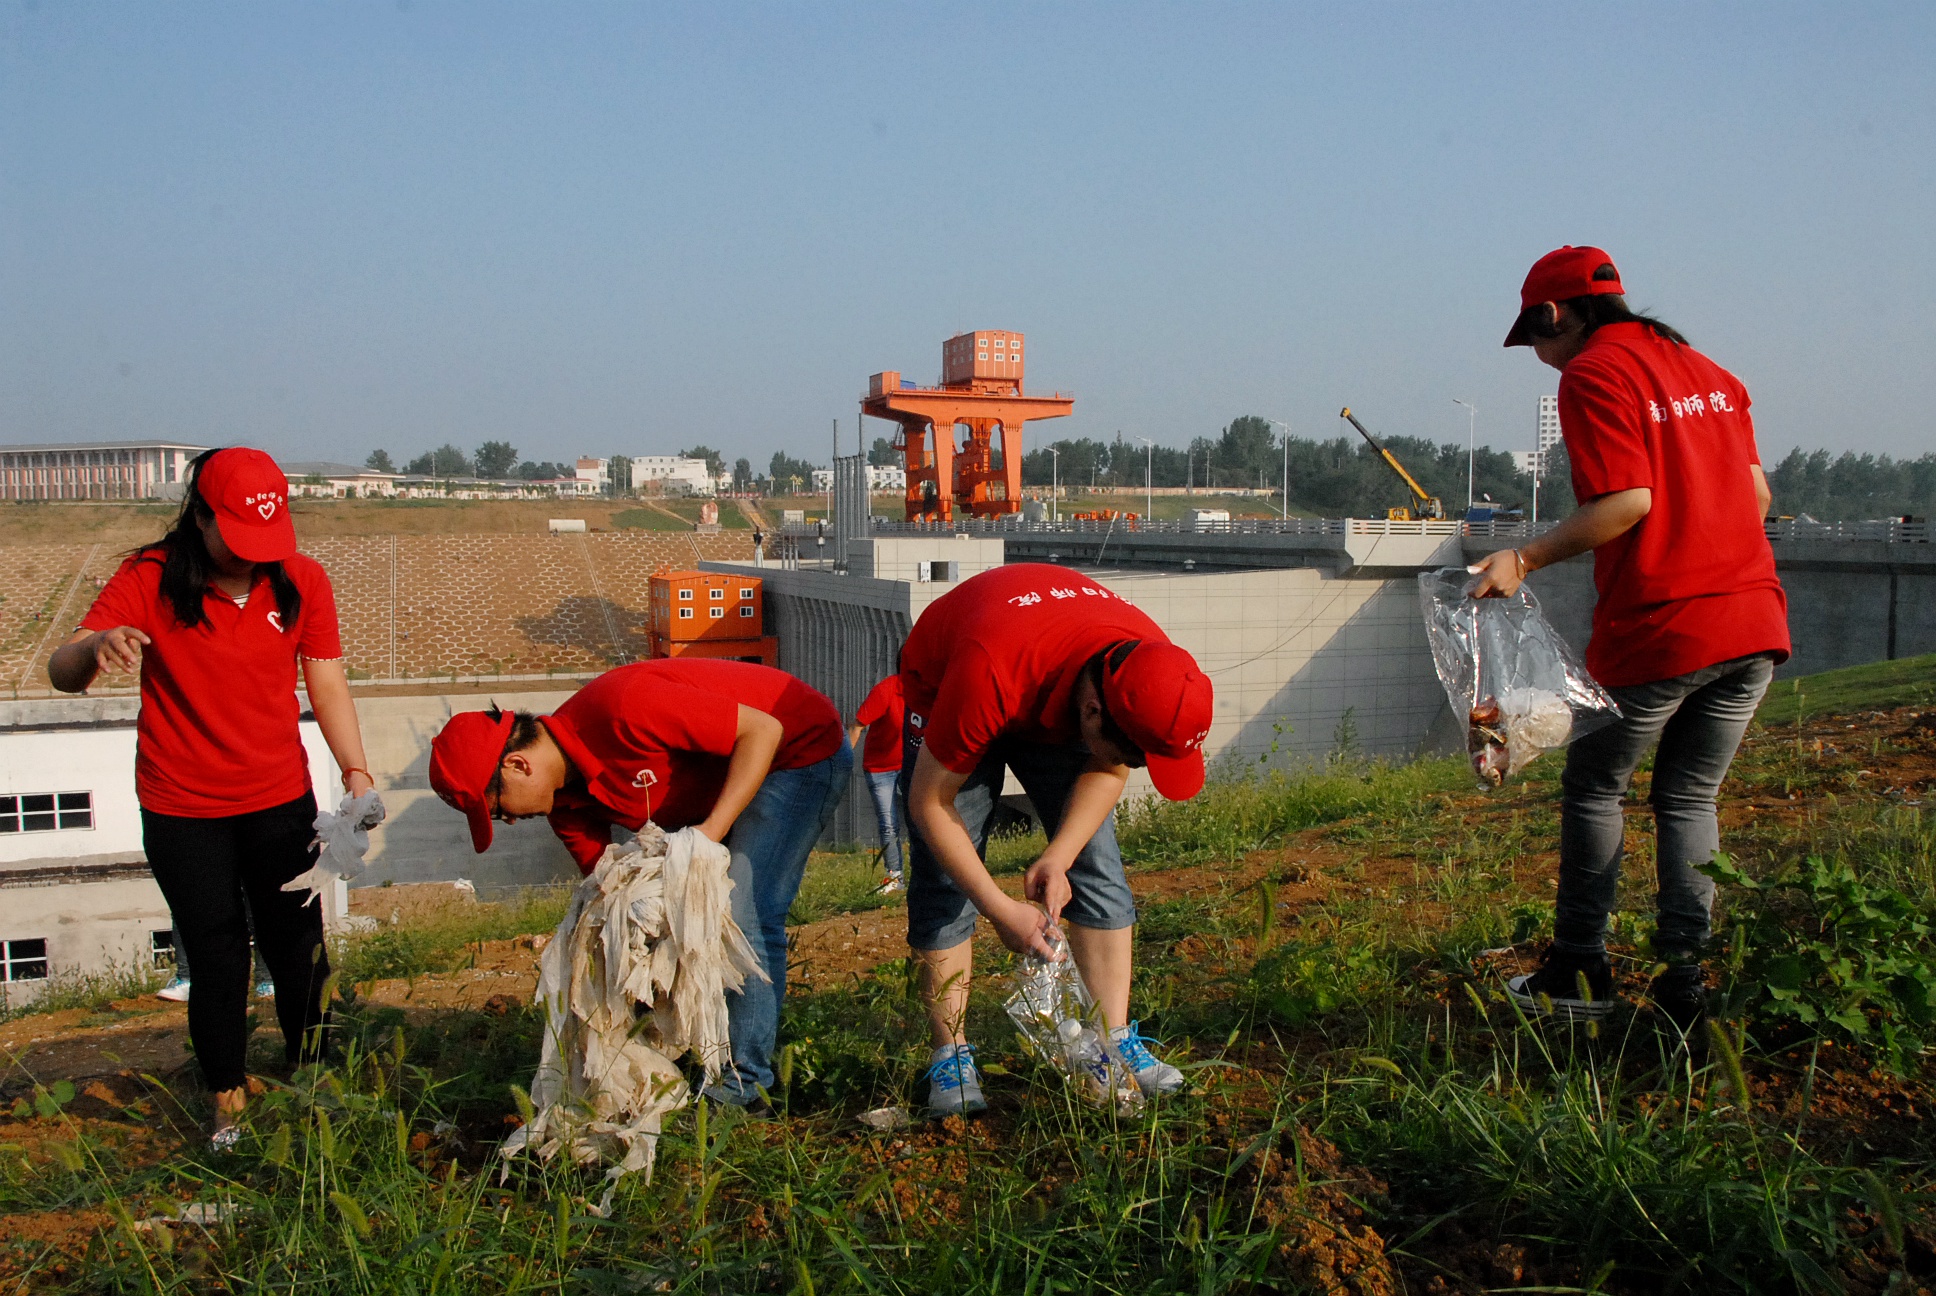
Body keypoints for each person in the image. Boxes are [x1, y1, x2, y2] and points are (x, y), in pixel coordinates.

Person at [1471, 245, 1790, 1030]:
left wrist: (1525, 556)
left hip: (1665, 628)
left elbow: (1627, 502)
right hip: (1753, 622)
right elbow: (1756, 493)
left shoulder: (1595, 375)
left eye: (1535, 340)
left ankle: (1579, 970)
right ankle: (1688, 987)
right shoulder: (1707, 371)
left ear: (1558, 314)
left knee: (1595, 787)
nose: (1542, 360)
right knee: (1689, 797)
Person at [49, 447, 378, 1147]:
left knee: (299, 949)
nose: (253, 557)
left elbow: (326, 683)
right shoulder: (148, 578)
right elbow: (62, 669)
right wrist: (98, 645)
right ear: (199, 517)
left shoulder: (301, 580)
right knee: (219, 952)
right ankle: (227, 1096)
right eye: (237, 539)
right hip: (182, 808)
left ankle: (313, 1080)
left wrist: (356, 772)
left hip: (278, 801)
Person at [427, 659, 850, 1112]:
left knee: (743, 912)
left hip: (796, 750)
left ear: (517, 764)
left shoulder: (625, 708)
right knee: (661, 922)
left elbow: (762, 731)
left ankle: (744, 1090)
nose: (508, 819)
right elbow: (609, 906)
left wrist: (707, 836)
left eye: (497, 808)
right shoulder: (566, 806)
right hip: (724, 782)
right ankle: (692, 1055)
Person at [899, 564, 1213, 1113]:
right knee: (945, 878)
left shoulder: (1145, 667)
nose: (1131, 765)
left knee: (1098, 868)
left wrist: (1058, 857)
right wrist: (1000, 909)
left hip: (1048, 676)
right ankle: (949, 1054)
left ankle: (1112, 1041)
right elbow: (930, 802)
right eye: (1130, 751)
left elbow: (1109, 764)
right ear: (1093, 711)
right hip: (961, 679)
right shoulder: (989, 671)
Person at [848, 670, 907, 894]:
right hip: (881, 768)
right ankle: (895, 877)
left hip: (913, 764)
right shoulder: (887, 689)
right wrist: (843, 760)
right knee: (889, 824)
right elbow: (857, 725)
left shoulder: (929, 689)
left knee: (921, 820)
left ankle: (929, 878)